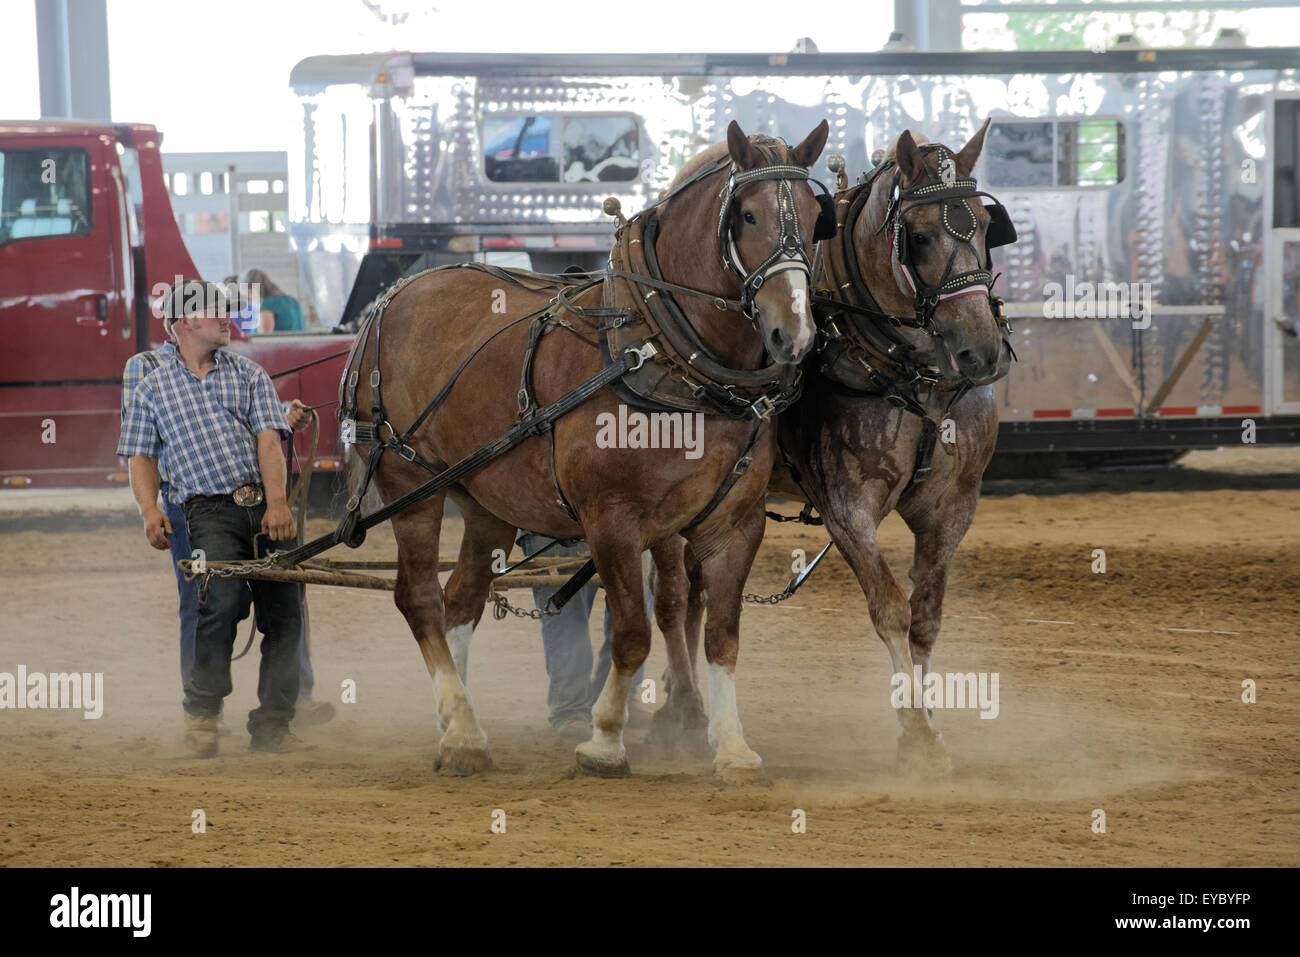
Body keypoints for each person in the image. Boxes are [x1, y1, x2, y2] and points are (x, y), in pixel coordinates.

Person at [118, 279, 309, 756]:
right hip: (206, 512)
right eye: (215, 311)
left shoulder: (249, 374)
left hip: (264, 507)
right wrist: (149, 509)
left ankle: (275, 725)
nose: (228, 318)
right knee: (217, 605)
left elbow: (269, 439)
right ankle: (202, 714)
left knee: (285, 614)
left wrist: (278, 502)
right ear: (185, 321)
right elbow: (140, 457)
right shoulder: (151, 388)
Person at [516, 532, 651, 741]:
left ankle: (619, 695)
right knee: (568, 608)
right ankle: (571, 707)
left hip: (625, 518)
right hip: (555, 521)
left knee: (637, 601)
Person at [241, 268, 305, 333]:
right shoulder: (293, 301)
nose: (249, 298)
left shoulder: (268, 304)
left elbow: (263, 338)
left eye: (249, 293)